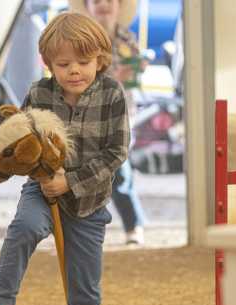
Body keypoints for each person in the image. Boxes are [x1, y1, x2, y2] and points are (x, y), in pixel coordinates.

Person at [0, 13, 129, 305]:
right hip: (41, 190)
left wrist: (72, 181)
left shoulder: (112, 94)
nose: (73, 71)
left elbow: (116, 153)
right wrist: (41, 175)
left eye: (82, 62)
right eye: (63, 65)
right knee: (25, 227)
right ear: (49, 64)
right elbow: (20, 141)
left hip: (88, 202)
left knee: (85, 297)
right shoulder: (38, 93)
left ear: (99, 59)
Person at [71, 0, 147, 245]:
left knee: (118, 169)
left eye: (109, 0)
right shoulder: (83, 40)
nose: (103, 4)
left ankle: (133, 223)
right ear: (87, 6)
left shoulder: (127, 37)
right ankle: (91, 225)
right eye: (96, 1)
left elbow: (135, 70)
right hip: (91, 113)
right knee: (93, 170)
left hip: (122, 112)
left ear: (119, 5)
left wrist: (137, 69)